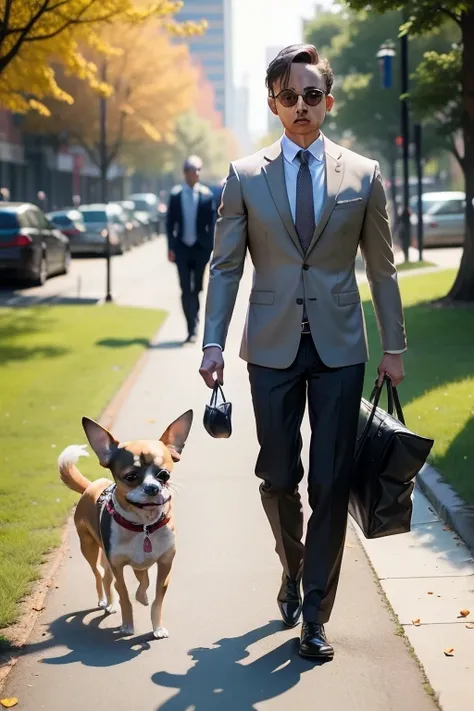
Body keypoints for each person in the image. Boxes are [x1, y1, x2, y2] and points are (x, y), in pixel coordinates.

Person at [199, 44, 407, 660]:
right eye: (288, 97)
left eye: (311, 95)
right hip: (271, 348)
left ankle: (315, 612)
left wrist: (393, 346)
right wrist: (213, 338)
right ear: (272, 103)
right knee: (279, 474)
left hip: (342, 348)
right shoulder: (245, 176)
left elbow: (384, 268)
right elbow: (225, 266)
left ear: (328, 101)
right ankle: (292, 566)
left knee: (331, 481)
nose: (301, 107)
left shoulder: (363, 174)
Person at [166, 156, 216, 344]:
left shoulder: (206, 195)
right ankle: (191, 327)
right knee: (185, 288)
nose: (195, 173)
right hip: (182, 249)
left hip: (200, 249)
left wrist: (211, 247)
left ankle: (195, 320)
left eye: (197, 170)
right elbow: (170, 224)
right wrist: (171, 248)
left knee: (197, 288)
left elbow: (212, 225)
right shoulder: (176, 195)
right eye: (191, 170)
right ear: (185, 173)